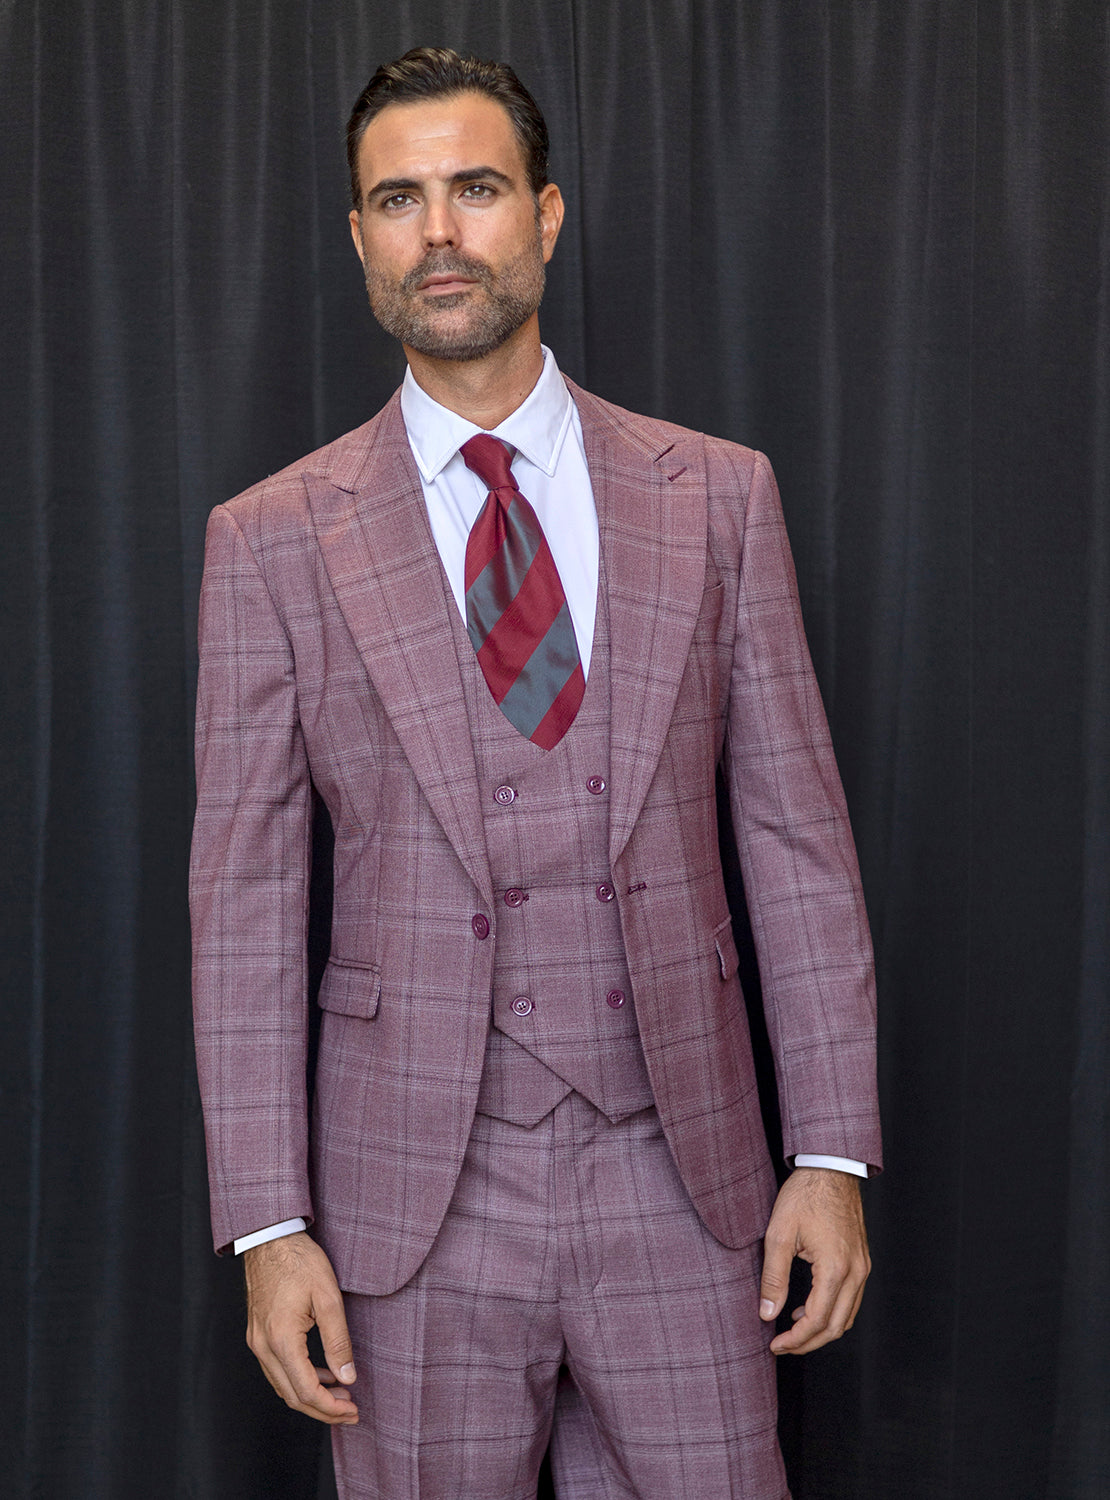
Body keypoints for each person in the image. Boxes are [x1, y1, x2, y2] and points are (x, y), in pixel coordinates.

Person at [190, 46, 881, 1500]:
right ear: (361, 236)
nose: (440, 232)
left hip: (686, 1180)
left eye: (478, 188)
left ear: (547, 215)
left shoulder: (718, 496)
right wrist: (267, 1225)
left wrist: (830, 1153)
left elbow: (794, 837)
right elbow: (244, 904)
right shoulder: (270, 539)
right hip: (408, 1204)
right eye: (400, 199)